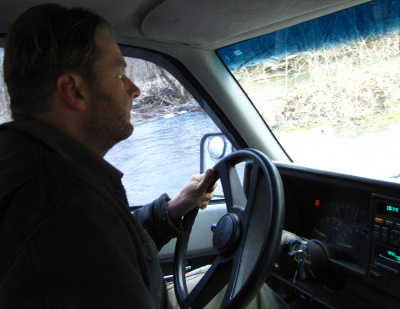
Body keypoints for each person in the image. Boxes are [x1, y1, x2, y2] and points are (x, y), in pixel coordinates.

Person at [0, 4, 217, 308]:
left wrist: (170, 210)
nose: (135, 89)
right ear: (74, 91)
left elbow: (110, 246)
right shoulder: (64, 204)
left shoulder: (30, 167)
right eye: (118, 74)